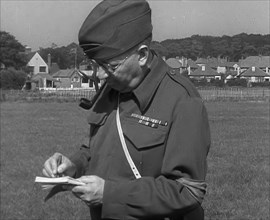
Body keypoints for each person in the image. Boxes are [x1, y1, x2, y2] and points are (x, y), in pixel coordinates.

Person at [42, 0, 211, 219]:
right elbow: (98, 150)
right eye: (95, 64)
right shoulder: (112, 86)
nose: (99, 75)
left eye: (109, 66)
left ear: (141, 55)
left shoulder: (183, 100)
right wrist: (73, 165)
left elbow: (188, 191)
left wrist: (110, 194)